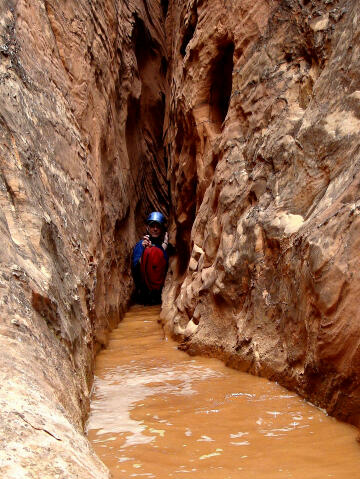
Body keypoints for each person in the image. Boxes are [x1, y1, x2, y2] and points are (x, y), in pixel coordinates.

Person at [132, 211, 173, 305]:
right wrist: (146, 252)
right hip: (146, 295)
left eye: (158, 226)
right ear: (148, 228)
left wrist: (165, 243)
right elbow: (136, 268)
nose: (155, 229)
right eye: (152, 226)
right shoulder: (141, 245)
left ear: (162, 229)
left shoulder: (160, 246)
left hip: (159, 294)